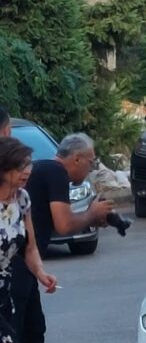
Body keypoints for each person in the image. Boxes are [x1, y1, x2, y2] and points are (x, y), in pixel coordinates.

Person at [10, 133, 113, 342]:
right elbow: (64, 225)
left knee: (34, 328)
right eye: (90, 163)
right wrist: (92, 214)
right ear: (76, 159)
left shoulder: (43, 171)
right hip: (16, 266)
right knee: (21, 330)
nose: (90, 169)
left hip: (27, 263)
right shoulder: (56, 171)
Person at [0, 137, 56, 342]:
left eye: (29, 164)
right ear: (3, 168)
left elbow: (30, 247)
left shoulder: (22, 199)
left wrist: (41, 272)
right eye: (21, 165)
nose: (28, 170)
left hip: (5, 294)